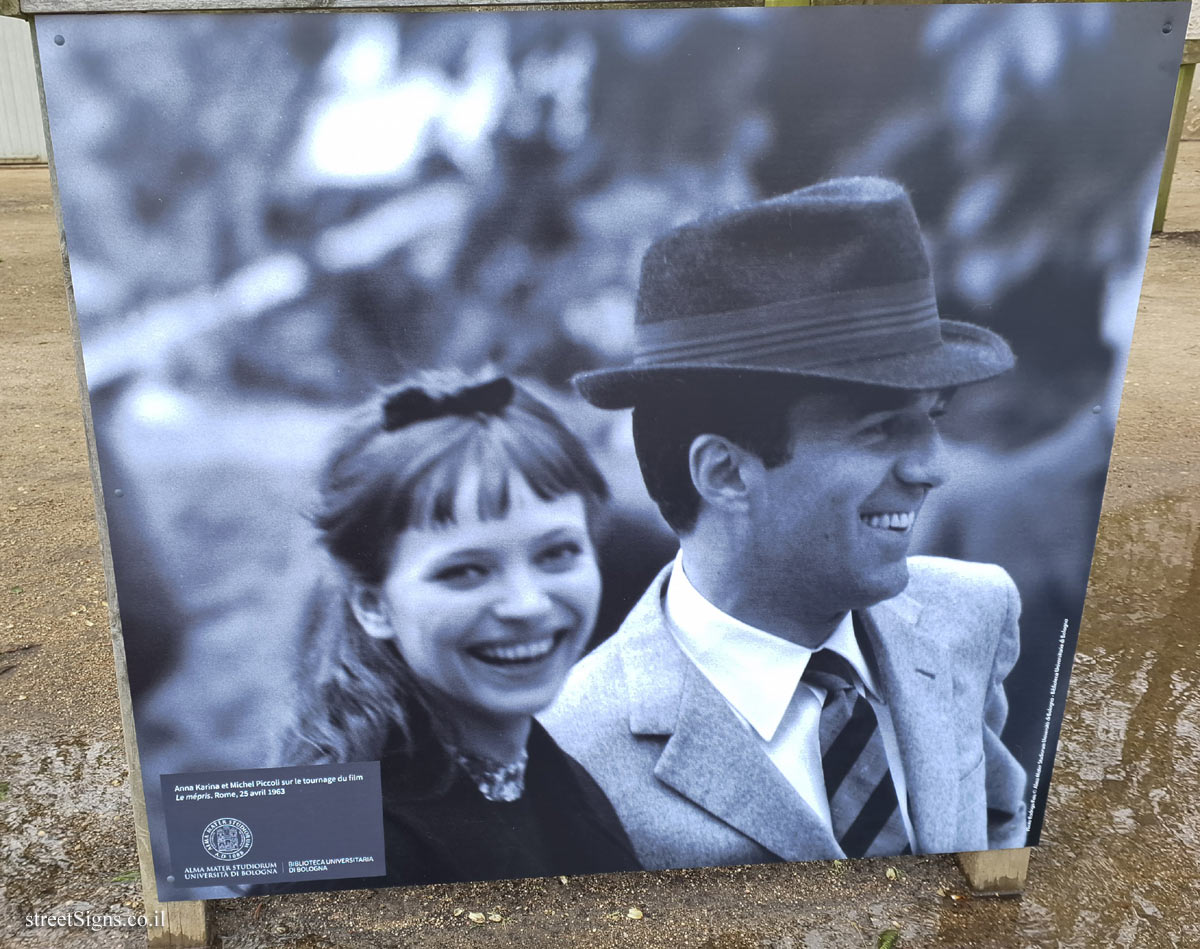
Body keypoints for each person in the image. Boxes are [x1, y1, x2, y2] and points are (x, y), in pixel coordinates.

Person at [541, 177, 1029, 870]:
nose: (931, 467)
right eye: (881, 429)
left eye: (933, 417)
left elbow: (1000, 837)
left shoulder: (966, 616)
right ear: (726, 473)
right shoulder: (573, 757)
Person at [281, 371, 640, 885]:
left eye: (558, 554)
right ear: (372, 604)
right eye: (465, 571)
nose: (528, 605)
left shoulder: (556, 771)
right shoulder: (314, 830)